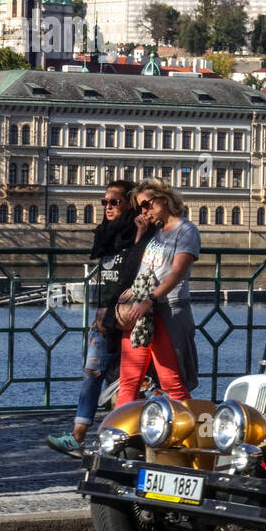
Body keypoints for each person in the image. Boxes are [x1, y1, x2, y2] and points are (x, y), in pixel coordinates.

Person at [45, 179, 149, 456]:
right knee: (92, 374)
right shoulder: (107, 234)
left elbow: (134, 272)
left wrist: (139, 236)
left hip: (129, 316)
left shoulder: (141, 232)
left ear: (129, 202)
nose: (108, 207)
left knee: (128, 383)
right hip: (105, 315)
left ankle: (122, 441)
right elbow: (108, 277)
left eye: (114, 202)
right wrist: (101, 310)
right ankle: (78, 437)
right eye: (105, 202)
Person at [116, 179, 201, 405]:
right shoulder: (156, 231)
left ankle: (187, 432)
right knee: (129, 380)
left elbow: (176, 273)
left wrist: (150, 300)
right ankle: (120, 434)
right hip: (141, 312)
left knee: (170, 381)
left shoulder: (186, 231)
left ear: (164, 200)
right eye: (140, 207)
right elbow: (141, 266)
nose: (144, 211)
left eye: (147, 205)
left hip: (167, 309)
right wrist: (141, 233)